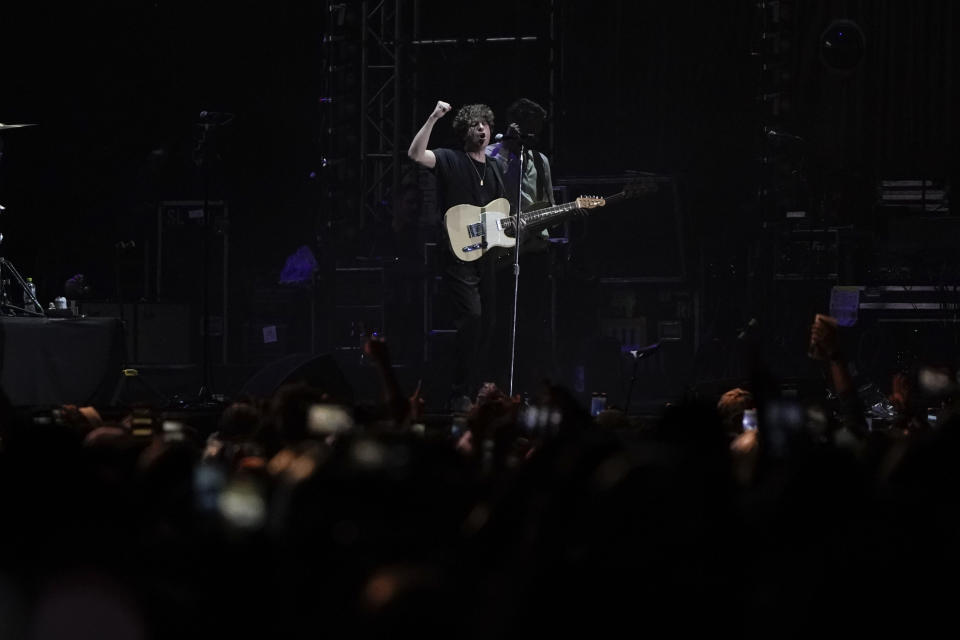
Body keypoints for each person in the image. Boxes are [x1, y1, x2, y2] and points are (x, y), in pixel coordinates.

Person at [408, 100, 507, 410]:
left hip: (486, 255)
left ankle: (477, 388)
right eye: (475, 124)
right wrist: (433, 117)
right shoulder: (451, 159)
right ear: (465, 131)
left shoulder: (494, 167)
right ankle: (459, 390)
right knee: (473, 317)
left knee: (489, 322)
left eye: (485, 124)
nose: (481, 128)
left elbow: (498, 211)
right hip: (456, 251)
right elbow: (415, 154)